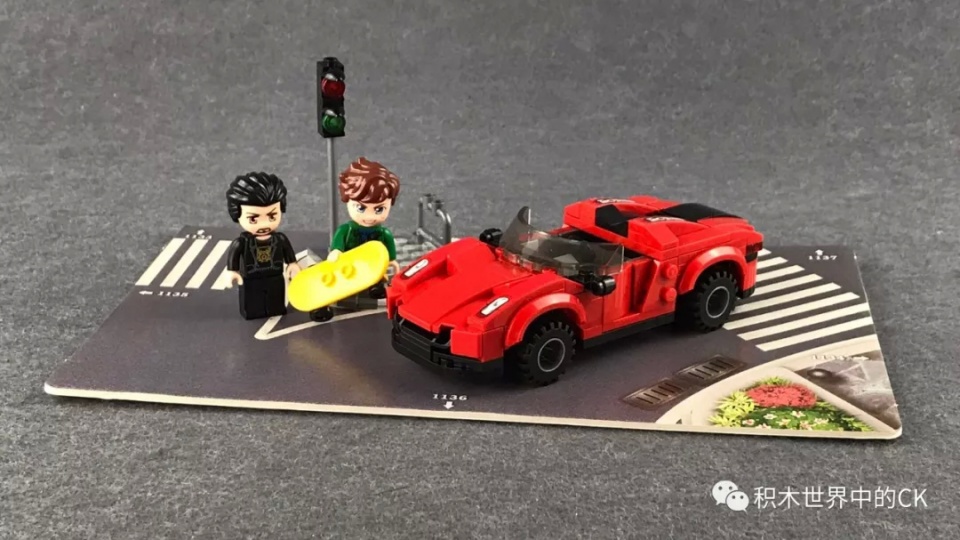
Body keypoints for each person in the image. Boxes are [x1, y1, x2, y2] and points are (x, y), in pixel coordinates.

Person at [225, 172, 301, 320]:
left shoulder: (279, 239)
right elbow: (234, 255)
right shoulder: (242, 243)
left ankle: (275, 309)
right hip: (251, 278)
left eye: (272, 216)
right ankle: (254, 312)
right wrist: (232, 271)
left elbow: (288, 253)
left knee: (276, 301)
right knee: (252, 303)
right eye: (254, 219)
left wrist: (292, 264)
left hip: (275, 275)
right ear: (237, 215)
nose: (264, 224)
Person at [328, 157, 400, 300]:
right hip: (349, 268)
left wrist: (392, 264)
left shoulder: (384, 234)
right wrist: (336, 252)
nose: (370, 217)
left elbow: (391, 259)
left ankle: (375, 290)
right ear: (347, 201)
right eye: (361, 208)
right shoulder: (345, 230)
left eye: (379, 209)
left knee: (377, 283)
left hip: (374, 268)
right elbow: (337, 248)